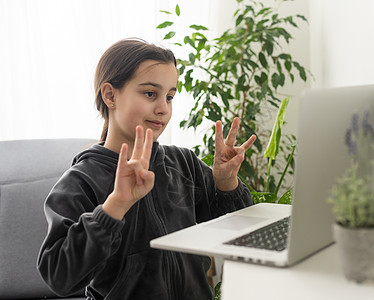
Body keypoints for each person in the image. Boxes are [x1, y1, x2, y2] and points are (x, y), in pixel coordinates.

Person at [37, 38, 256, 300]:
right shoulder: (81, 180)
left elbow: (242, 234)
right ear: (110, 95)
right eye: (150, 93)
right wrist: (115, 206)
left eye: (170, 97)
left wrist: (225, 182)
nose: (163, 108)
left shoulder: (183, 163)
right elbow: (59, 276)